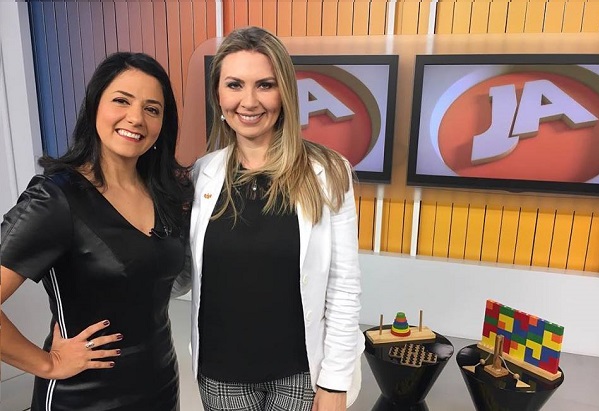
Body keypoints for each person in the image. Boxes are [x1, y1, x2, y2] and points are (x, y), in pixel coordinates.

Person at [1, 52, 193, 411]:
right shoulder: (56, 198)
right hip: (84, 396)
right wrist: (48, 364)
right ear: (94, 107)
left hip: (160, 386)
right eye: (121, 100)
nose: (136, 118)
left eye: (152, 109)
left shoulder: (168, 194)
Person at [188, 26, 364, 411]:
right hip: (221, 374)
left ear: (284, 92)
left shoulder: (329, 171)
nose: (249, 101)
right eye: (234, 85)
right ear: (218, 94)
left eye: (265, 85)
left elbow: (344, 286)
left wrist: (335, 382)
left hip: (301, 375)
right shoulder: (201, 174)